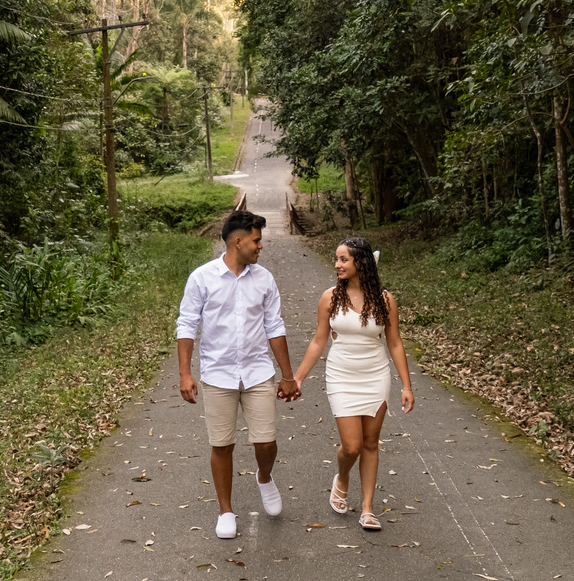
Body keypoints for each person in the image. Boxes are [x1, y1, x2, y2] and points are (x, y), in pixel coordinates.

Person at [176, 210, 301, 539]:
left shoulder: (264, 280)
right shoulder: (202, 279)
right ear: (237, 241)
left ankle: (264, 476)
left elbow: (274, 326)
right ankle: (226, 510)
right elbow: (187, 325)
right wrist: (185, 373)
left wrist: (288, 375)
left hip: (258, 371)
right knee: (222, 445)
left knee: (266, 442)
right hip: (218, 374)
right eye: (256, 240)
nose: (260, 246)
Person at [294, 236, 415, 530]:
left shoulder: (385, 300)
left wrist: (406, 385)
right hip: (341, 376)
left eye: (343, 259)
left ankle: (367, 508)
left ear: (361, 262)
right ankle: (343, 477)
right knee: (352, 446)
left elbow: (395, 343)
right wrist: (297, 378)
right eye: (336, 259)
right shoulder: (329, 297)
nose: (337, 265)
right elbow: (318, 341)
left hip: (375, 375)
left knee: (370, 443)